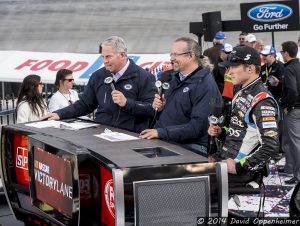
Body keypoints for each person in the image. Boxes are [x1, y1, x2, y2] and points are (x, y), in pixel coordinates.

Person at [44, 36, 156, 133]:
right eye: (103, 57)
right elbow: (84, 104)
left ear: (122, 55)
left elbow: (152, 109)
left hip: (130, 138)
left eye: (108, 57)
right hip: (102, 136)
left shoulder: (144, 77)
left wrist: (127, 103)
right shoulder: (98, 76)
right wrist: (59, 114)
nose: (104, 61)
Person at [208, 45, 280, 187]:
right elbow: (241, 131)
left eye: (234, 67)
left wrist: (239, 166)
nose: (229, 71)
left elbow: (271, 146)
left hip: (240, 170)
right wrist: (221, 132)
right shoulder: (241, 91)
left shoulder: (262, 100)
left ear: (250, 69)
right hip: (226, 159)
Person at [139, 37, 222, 155]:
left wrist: (160, 132)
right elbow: (173, 115)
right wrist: (159, 109)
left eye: (176, 54)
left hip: (191, 147)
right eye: (171, 54)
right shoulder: (173, 78)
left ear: (191, 56)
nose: (172, 58)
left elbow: (197, 127)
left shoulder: (205, 84)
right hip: (167, 141)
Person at [280, 41, 300, 185]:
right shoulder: (298, 66)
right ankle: (290, 168)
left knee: (295, 143)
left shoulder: (289, 69)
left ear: (286, 53)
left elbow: (292, 90)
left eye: (281, 52)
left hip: (294, 110)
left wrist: (289, 105)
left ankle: (298, 176)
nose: (281, 54)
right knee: (290, 141)